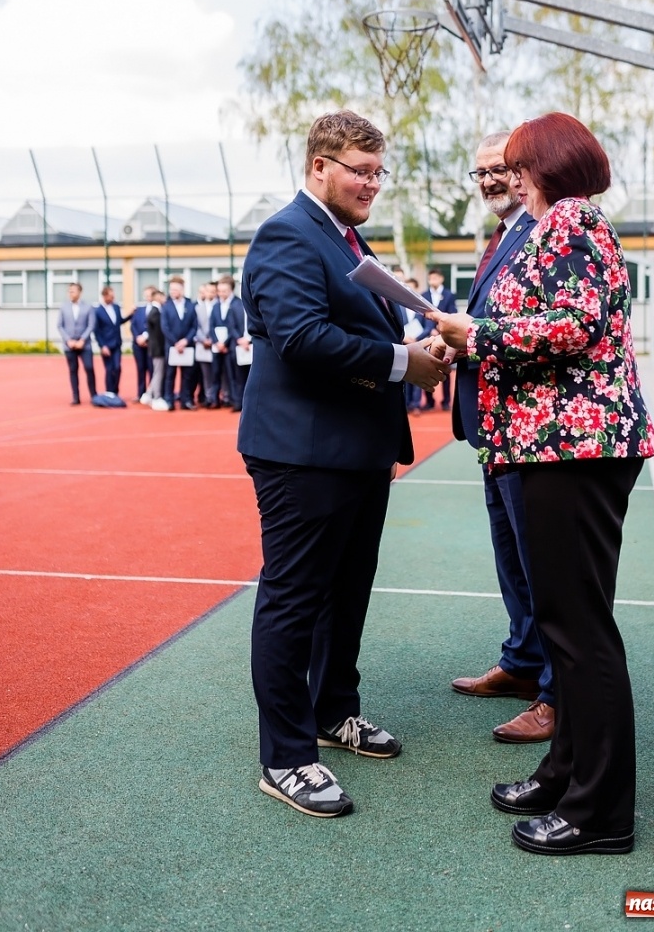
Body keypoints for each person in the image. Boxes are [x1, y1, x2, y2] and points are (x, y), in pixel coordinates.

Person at [429, 112, 654, 857]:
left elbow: (575, 326)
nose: (511, 174)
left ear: (548, 164)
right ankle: (565, 773)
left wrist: (476, 336)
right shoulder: (560, 222)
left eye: (520, 163)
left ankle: (601, 814)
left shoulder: (571, 219)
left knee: (581, 633)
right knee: (566, 628)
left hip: (575, 449)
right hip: (556, 448)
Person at [238, 109, 448, 819]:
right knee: (295, 599)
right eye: (360, 170)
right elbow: (300, 337)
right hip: (302, 454)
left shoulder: (344, 238)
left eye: (378, 172)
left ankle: (335, 712)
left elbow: (354, 326)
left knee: (346, 594)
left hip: (356, 452)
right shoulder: (286, 234)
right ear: (318, 166)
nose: (372, 183)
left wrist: (418, 347)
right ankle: (287, 757)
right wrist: (402, 363)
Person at [449, 131, 554, 745]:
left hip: (528, 426)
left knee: (539, 562)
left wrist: (472, 336)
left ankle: (550, 690)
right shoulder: (504, 234)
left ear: (525, 172)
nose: (489, 180)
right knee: (511, 554)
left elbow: (538, 327)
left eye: (500, 169)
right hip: (493, 425)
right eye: (480, 171)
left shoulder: (547, 232)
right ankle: (522, 661)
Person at [210, 275, 249, 414]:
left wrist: (246, 340)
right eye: (219, 290)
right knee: (232, 376)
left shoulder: (238, 304)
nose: (221, 293)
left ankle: (244, 402)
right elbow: (225, 326)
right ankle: (236, 401)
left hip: (241, 345)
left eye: (224, 290)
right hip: (232, 345)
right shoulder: (215, 306)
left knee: (243, 376)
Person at [421, 268, 457, 411]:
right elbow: (422, 314)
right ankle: (429, 401)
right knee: (426, 367)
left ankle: (446, 401)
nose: (433, 280)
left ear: (441, 278)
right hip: (428, 336)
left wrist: (442, 329)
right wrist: (429, 329)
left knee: (445, 367)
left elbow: (452, 313)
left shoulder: (449, 295)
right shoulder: (424, 295)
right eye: (431, 278)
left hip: (445, 336)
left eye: (436, 277)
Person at [56, 282, 98, 405]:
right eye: (69, 291)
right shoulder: (64, 307)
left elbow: (91, 325)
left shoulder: (88, 307)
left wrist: (82, 340)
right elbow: (59, 325)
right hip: (69, 345)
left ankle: (93, 395)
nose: (70, 293)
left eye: (73, 291)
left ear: (79, 292)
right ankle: (76, 397)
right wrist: (68, 340)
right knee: (73, 370)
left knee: (89, 368)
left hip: (84, 345)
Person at [160, 276, 198, 410]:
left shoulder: (190, 305)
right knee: (170, 375)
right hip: (172, 347)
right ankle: (169, 400)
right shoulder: (166, 306)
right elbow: (164, 327)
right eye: (171, 289)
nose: (173, 292)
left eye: (175, 289)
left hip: (187, 346)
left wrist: (186, 340)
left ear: (182, 290)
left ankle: (185, 400)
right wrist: (176, 342)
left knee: (187, 375)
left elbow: (194, 326)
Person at [93, 285, 130, 396]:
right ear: (104, 296)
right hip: (106, 345)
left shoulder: (116, 307)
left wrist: (130, 315)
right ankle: (109, 392)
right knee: (109, 369)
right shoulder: (98, 311)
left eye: (113, 296)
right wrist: (102, 345)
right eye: (110, 296)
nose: (113, 298)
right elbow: (97, 330)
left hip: (117, 343)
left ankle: (115, 391)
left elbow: (120, 321)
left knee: (117, 368)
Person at [401, 276, 427, 416]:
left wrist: (417, 339)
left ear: (416, 288)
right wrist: (405, 338)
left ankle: (416, 405)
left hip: (419, 344)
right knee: (404, 375)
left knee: (418, 374)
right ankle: (405, 404)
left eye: (412, 286)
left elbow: (428, 327)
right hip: (403, 345)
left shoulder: (422, 307)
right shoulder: (397, 305)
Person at [194, 280, 220, 408]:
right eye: (208, 291)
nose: (210, 293)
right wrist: (203, 339)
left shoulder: (219, 306)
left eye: (213, 291)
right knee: (206, 374)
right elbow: (196, 326)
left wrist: (213, 340)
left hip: (217, 345)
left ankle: (222, 397)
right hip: (202, 344)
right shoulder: (198, 308)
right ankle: (209, 398)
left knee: (219, 373)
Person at [143, 291, 168, 409]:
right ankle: (156, 397)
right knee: (158, 372)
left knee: (157, 372)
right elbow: (159, 333)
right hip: (157, 348)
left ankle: (148, 394)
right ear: (158, 297)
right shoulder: (155, 312)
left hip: (156, 347)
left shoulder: (156, 311)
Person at [129, 285, 155, 400]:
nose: (147, 297)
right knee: (140, 369)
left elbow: (155, 327)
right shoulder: (139, 310)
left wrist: (146, 338)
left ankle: (152, 392)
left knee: (152, 369)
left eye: (149, 295)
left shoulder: (158, 309)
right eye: (146, 295)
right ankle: (140, 393)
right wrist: (137, 338)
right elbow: (133, 325)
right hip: (138, 345)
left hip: (151, 344)